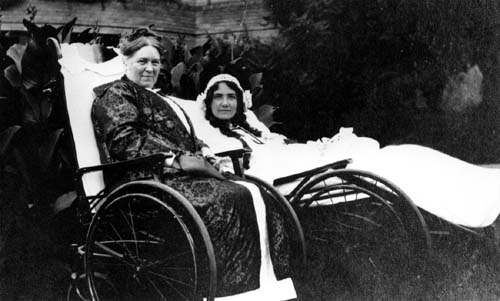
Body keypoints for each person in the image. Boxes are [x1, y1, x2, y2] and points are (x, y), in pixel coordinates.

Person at [90, 29, 293, 297]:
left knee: (259, 193)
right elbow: (125, 142)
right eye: (142, 61)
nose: (150, 68)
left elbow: (189, 141)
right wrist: (175, 159)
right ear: (125, 61)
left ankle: (268, 286)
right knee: (229, 198)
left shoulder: (162, 98)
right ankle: (232, 292)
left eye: (155, 62)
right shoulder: (117, 94)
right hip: (144, 180)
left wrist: (206, 155)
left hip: (176, 176)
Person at [196, 73, 500, 229]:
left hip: (290, 161)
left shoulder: (251, 129)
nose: (225, 103)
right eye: (218, 98)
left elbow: (280, 145)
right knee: (382, 168)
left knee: (399, 155)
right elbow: (230, 171)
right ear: (208, 103)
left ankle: (479, 186)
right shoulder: (212, 138)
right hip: (275, 179)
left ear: (239, 101)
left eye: (231, 97)